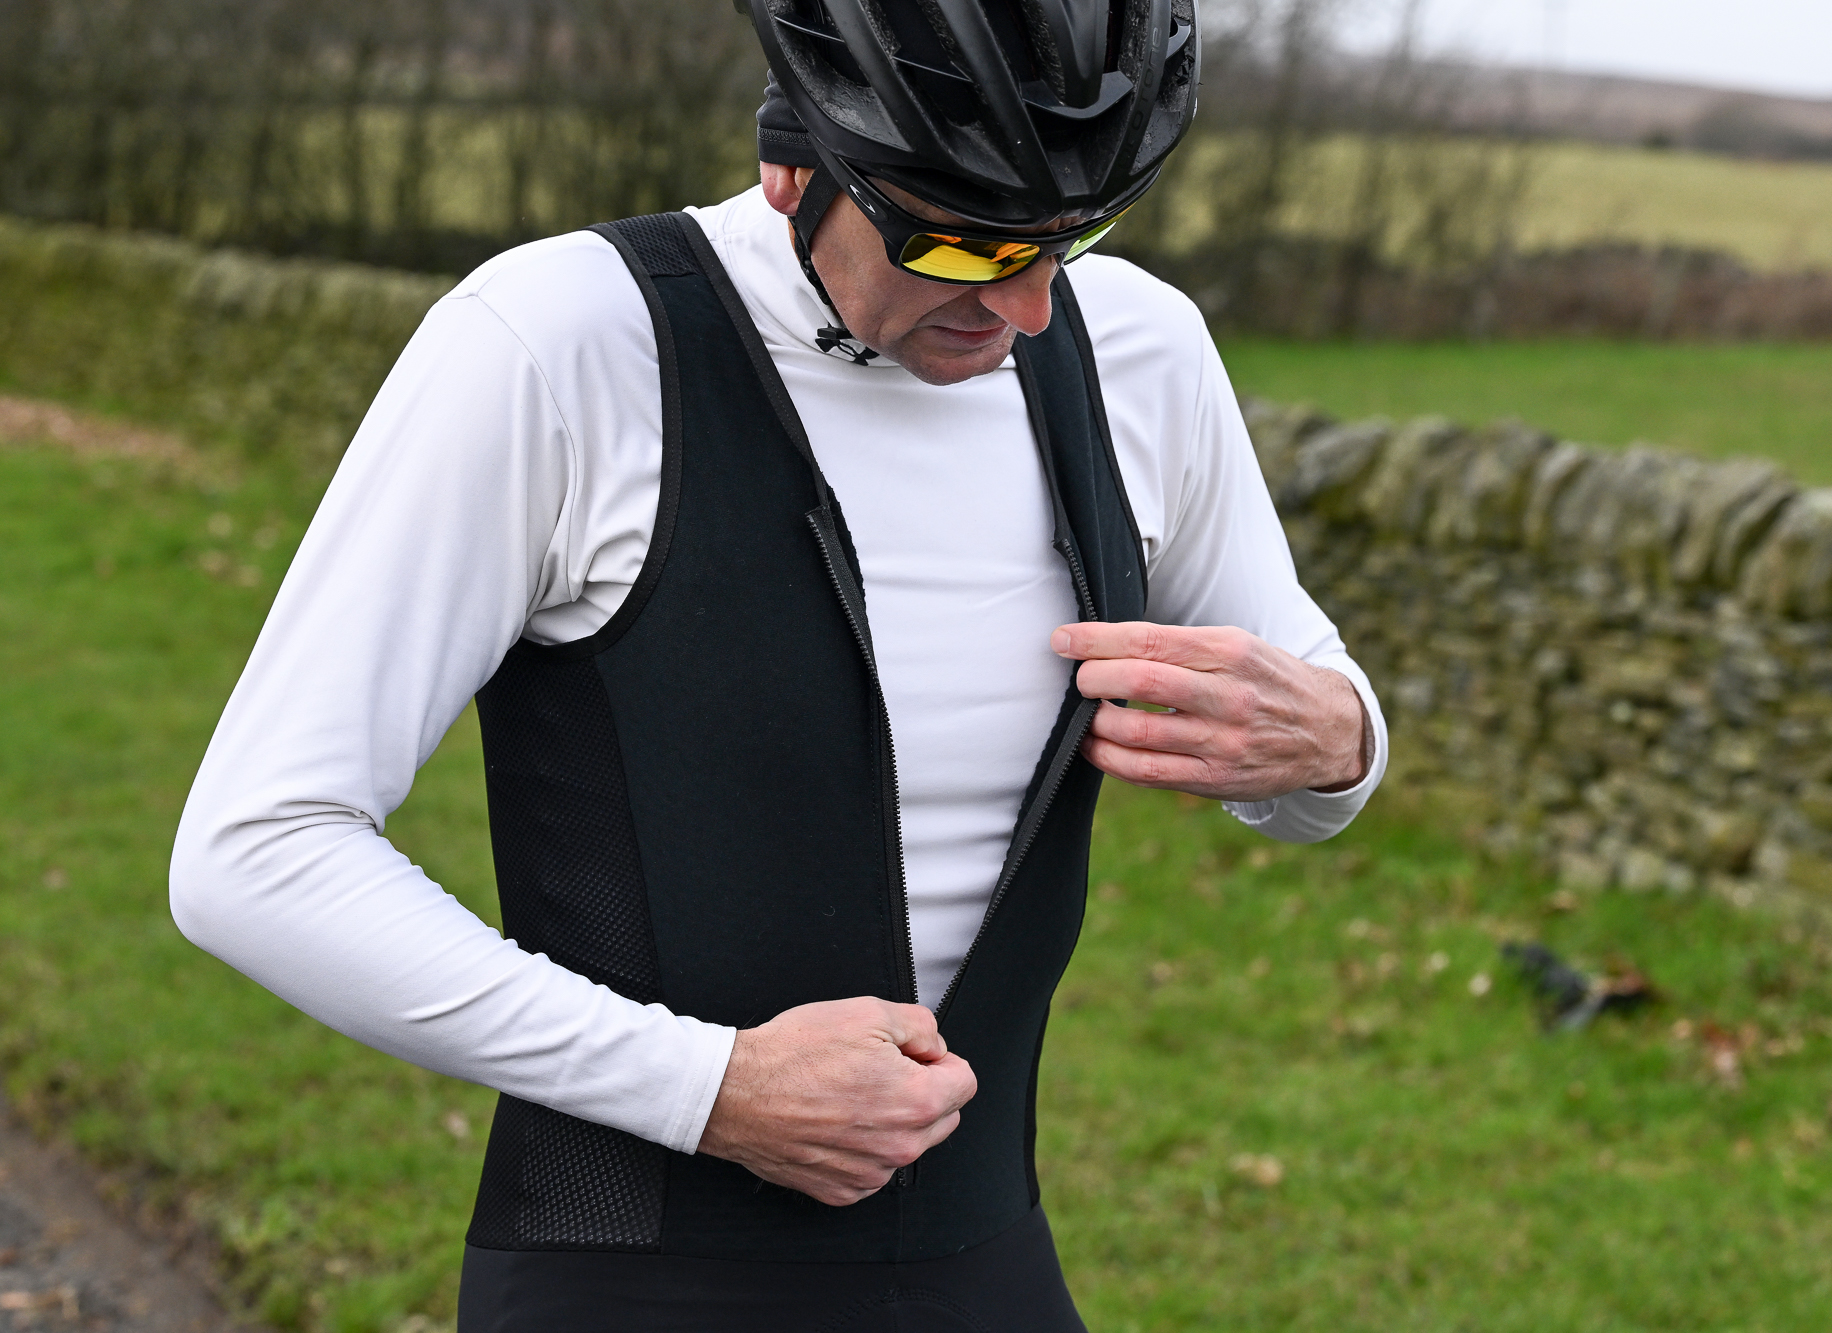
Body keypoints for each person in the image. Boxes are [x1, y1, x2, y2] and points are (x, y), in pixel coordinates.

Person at [169, 0, 1386, 1327]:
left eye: (1069, 241)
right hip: (627, 1280)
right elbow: (256, 848)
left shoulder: (1137, 354)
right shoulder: (565, 342)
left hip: (985, 1269)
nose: (1029, 308)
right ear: (794, 163)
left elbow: (1318, 739)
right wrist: (708, 1086)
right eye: (969, 239)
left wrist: (1337, 741)